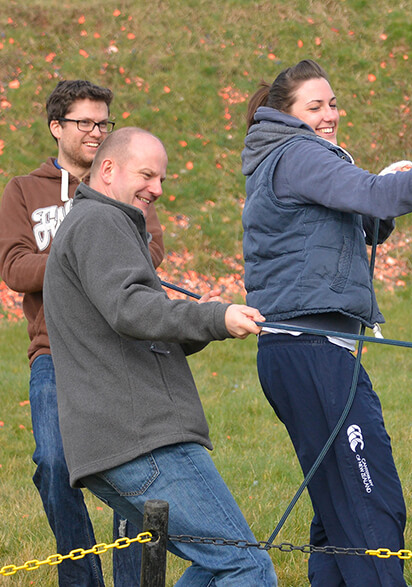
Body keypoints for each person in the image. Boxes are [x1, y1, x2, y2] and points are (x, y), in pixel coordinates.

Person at [241, 58, 412, 586]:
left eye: (333, 103)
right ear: (286, 114)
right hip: (312, 353)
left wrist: (383, 191)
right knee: (373, 512)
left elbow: (360, 218)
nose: (329, 115)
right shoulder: (296, 153)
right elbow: (369, 196)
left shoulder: (289, 157)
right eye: (315, 106)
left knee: (338, 518)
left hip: (303, 353)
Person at [43, 127, 277, 585]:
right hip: (143, 440)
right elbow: (131, 310)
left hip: (118, 444)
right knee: (247, 568)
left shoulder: (103, 224)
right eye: (148, 175)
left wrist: (212, 320)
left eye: (163, 179)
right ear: (107, 170)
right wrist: (213, 318)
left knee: (217, 565)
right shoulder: (99, 222)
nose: (158, 189)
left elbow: (139, 324)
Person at [0, 79, 164, 585]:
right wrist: (80, 256)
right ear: (56, 127)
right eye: (84, 123)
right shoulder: (24, 191)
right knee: (53, 464)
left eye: (103, 123)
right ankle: (82, 579)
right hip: (53, 351)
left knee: (130, 468)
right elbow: (14, 267)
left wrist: (83, 257)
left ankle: (131, 579)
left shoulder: (119, 181)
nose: (96, 132)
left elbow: (151, 252)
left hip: (119, 345)